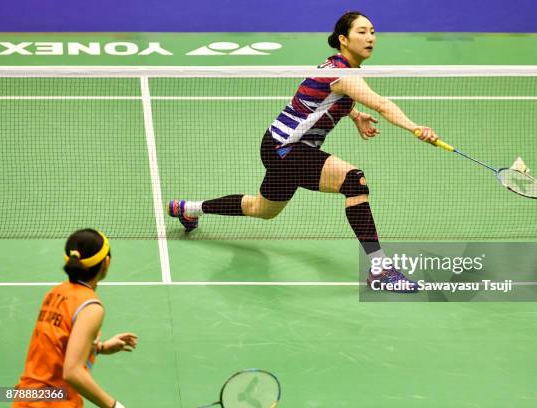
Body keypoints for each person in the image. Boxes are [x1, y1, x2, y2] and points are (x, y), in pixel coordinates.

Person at [168, 11, 438, 293]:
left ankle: (188, 209)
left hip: (277, 147)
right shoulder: (342, 73)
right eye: (361, 32)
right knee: (354, 180)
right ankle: (380, 269)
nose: (370, 37)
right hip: (287, 149)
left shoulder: (340, 69)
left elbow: (322, 99)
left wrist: (354, 114)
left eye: (372, 31)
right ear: (343, 40)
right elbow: (381, 104)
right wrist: (415, 128)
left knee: (260, 209)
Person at [12, 229, 137, 408]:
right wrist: (114, 406)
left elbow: (56, 342)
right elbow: (72, 372)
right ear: (106, 263)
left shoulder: (56, 292)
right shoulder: (91, 307)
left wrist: (99, 348)